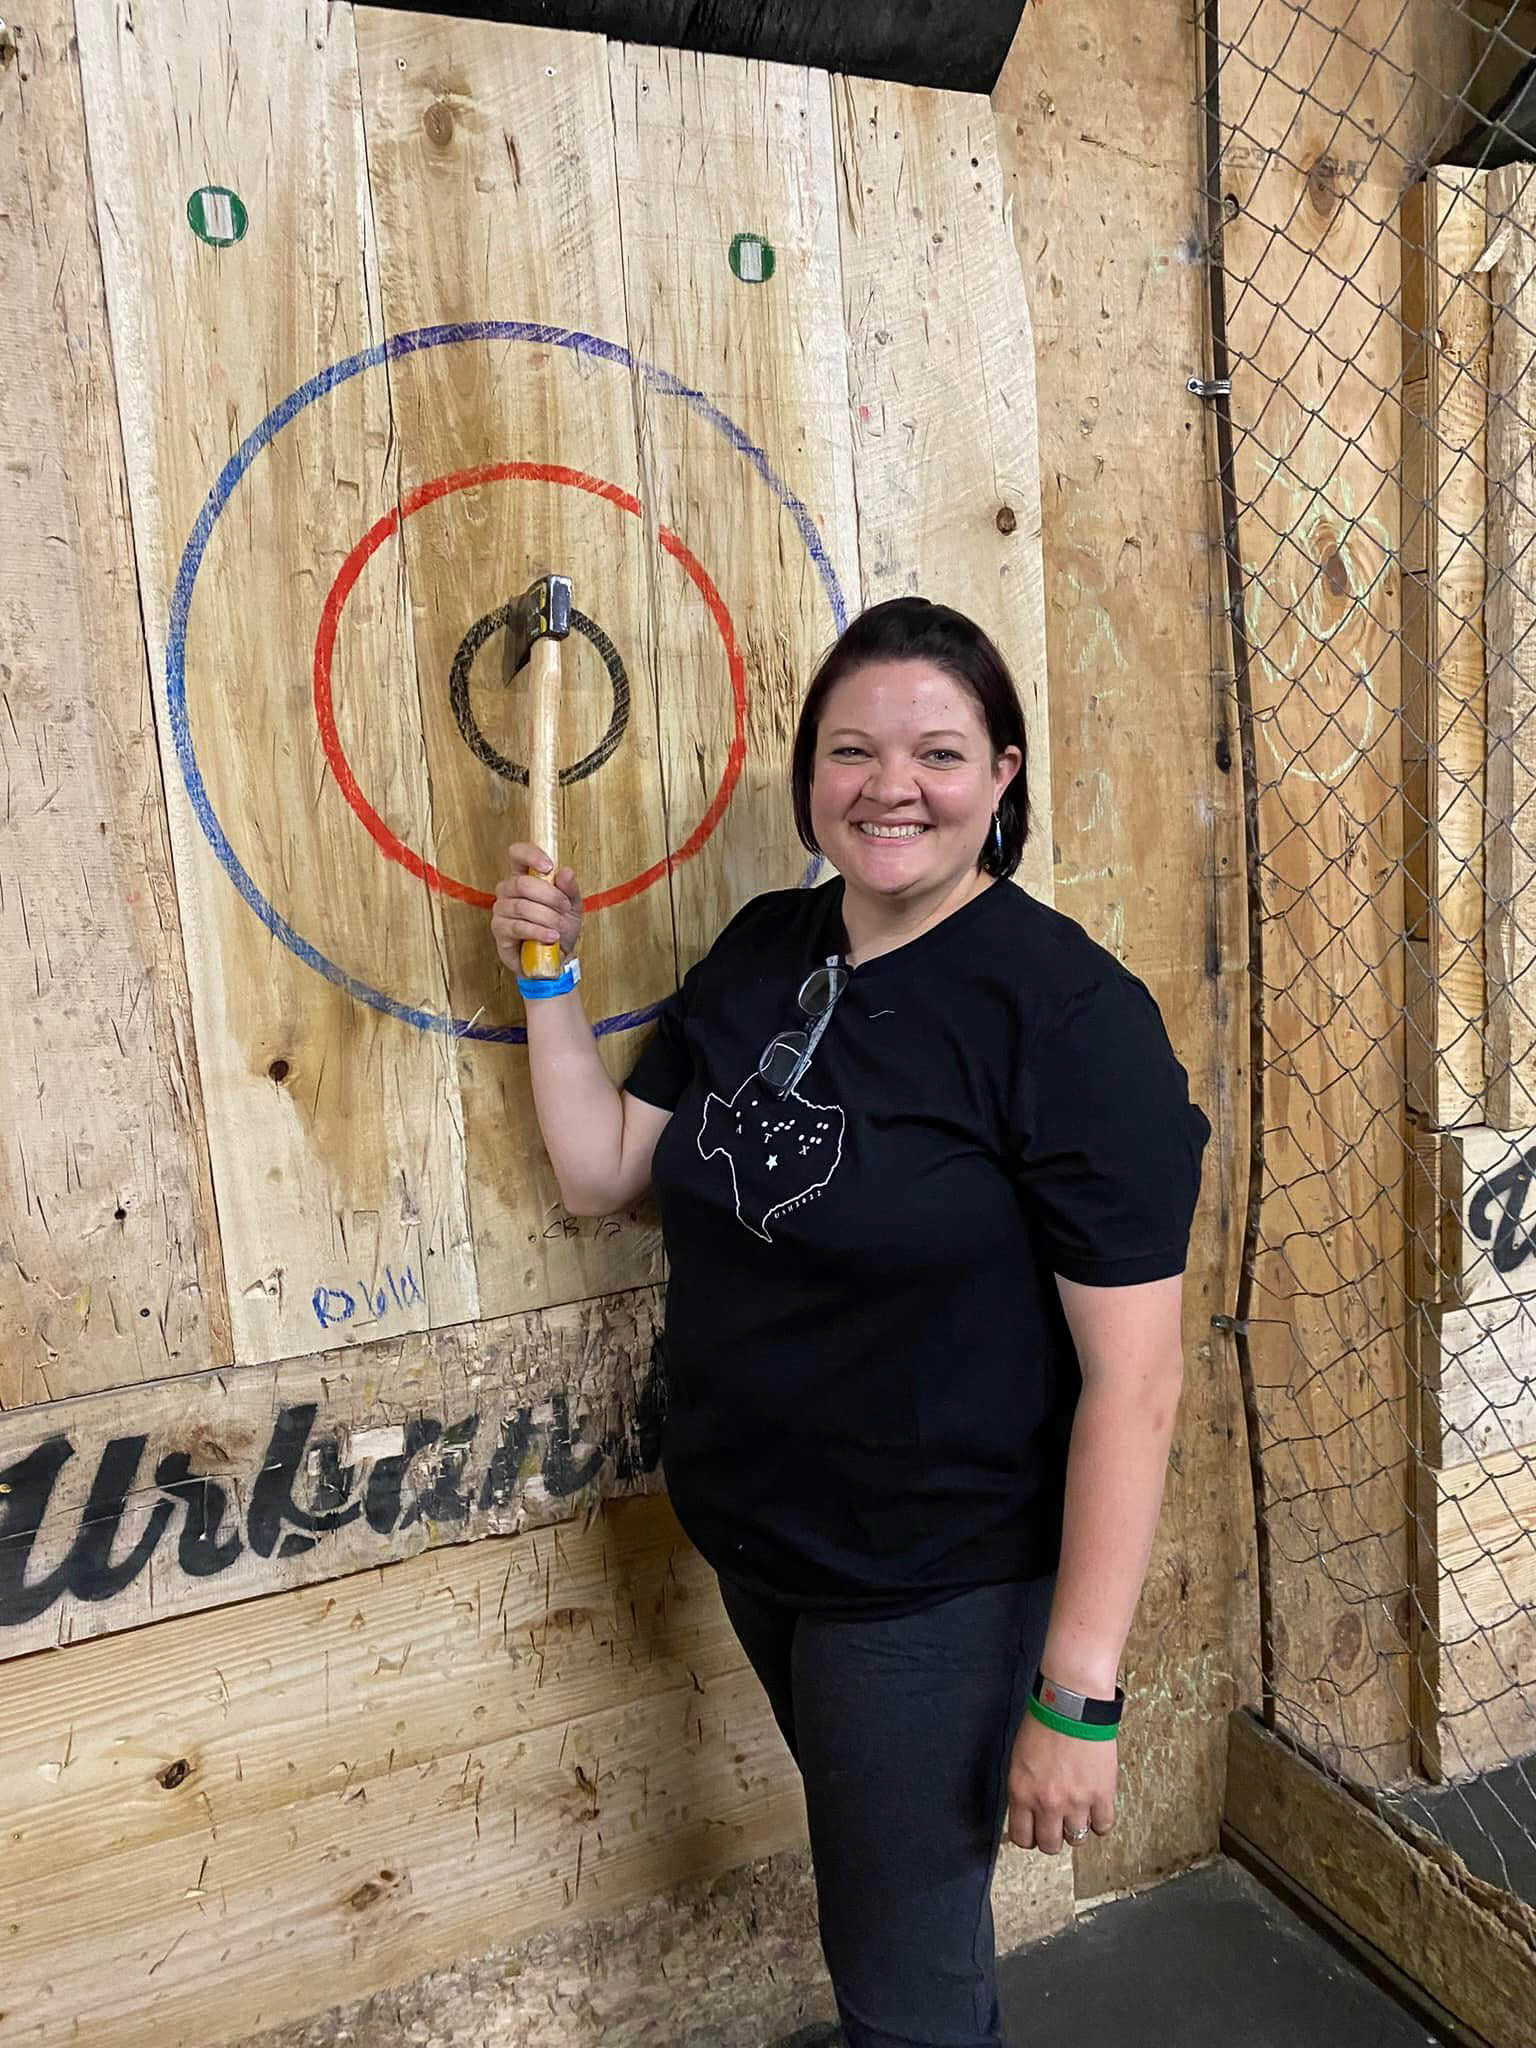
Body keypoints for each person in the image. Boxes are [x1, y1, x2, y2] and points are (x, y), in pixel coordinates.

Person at [491, 596, 1210, 2048]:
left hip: (931, 1581)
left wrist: (1078, 1692)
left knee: (900, 1982)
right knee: (894, 1915)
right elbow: (602, 1172)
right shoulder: (767, 952)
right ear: (811, 774)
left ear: (1004, 774)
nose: (892, 786)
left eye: (940, 752)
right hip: (768, 1547)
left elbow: (1135, 1381)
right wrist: (549, 981)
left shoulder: (1068, 1018)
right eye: (852, 750)